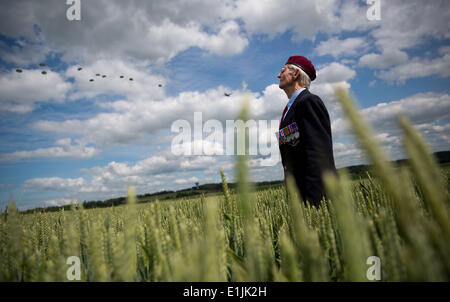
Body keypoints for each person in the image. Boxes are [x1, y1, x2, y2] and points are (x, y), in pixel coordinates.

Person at [277, 55, 336, 207]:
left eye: (283, 71)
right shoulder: (290, 108)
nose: (279, 75)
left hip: (314, 196)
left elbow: (318, 154)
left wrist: (315, 199)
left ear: (295, 74)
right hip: (299, 194)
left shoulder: (308, 102)